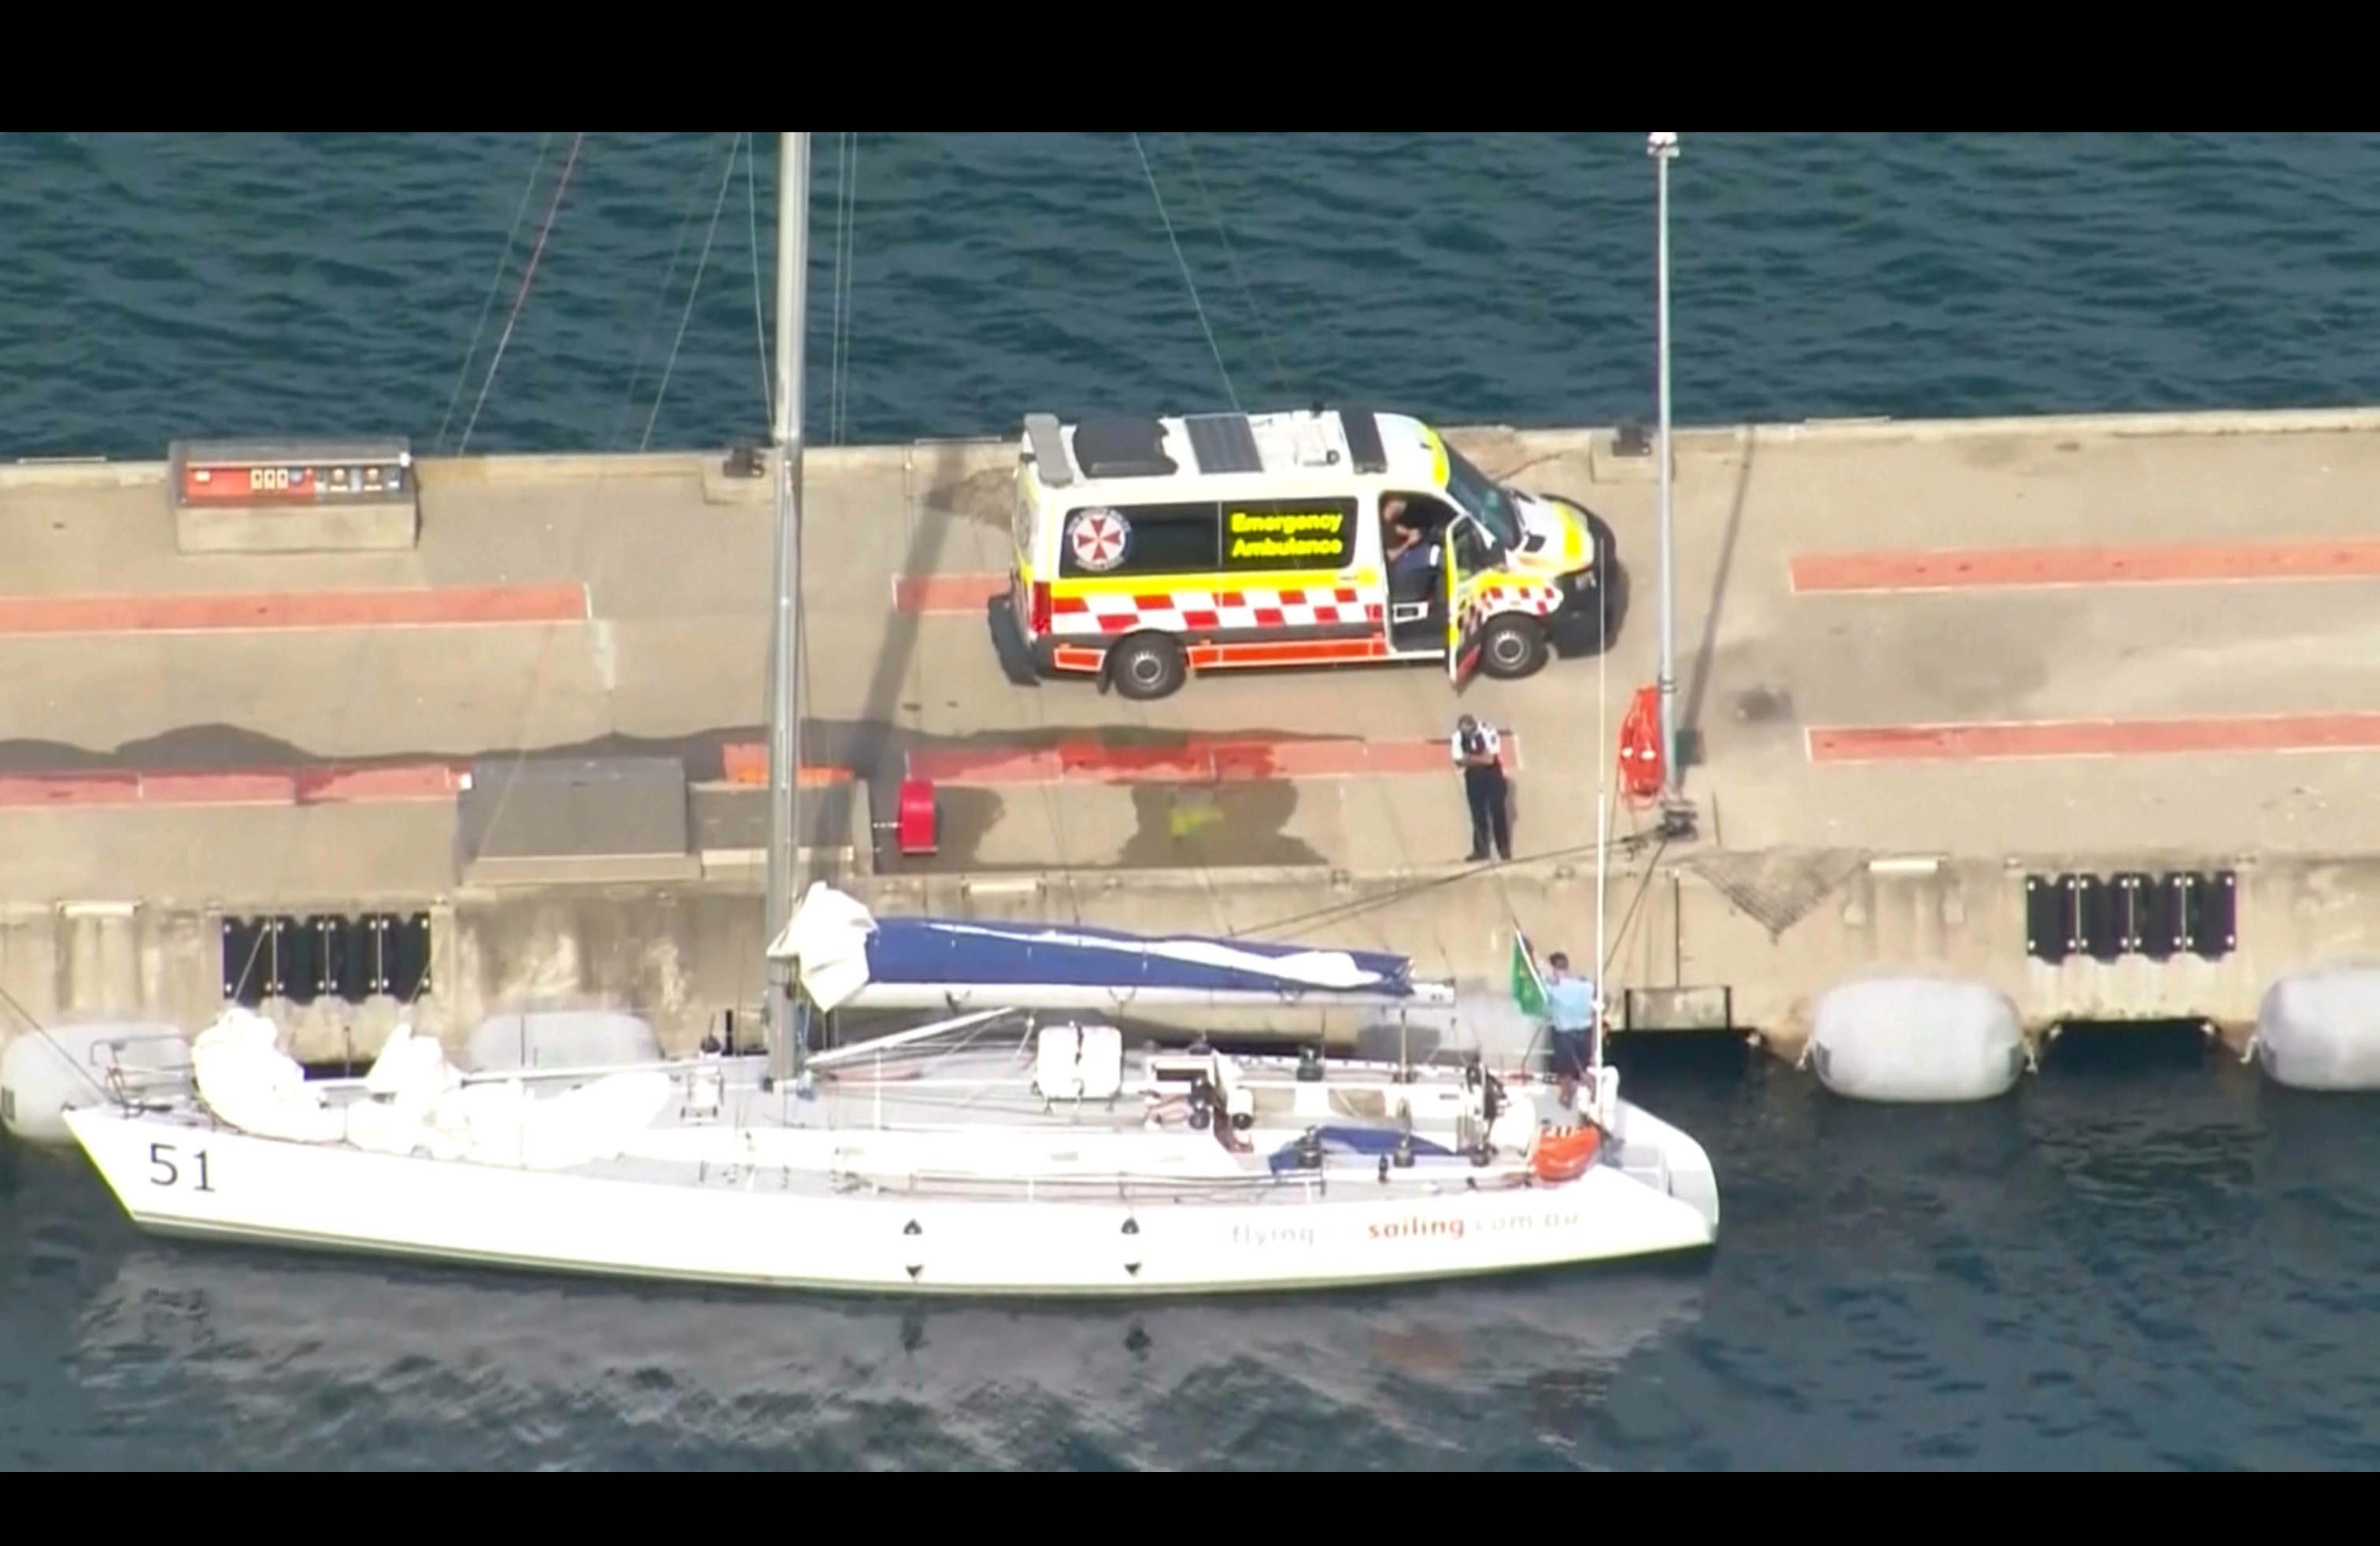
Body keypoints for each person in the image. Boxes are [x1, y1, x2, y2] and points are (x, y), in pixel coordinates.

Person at [1451, 713, 1511, 862]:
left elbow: (1490, 759)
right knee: (1477, 813)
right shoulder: (1457, 737)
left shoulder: (1487, 730)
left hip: (1492, 774)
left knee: (1497, 810)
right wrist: (1478, 760)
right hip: (1473, 776)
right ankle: (1481, 849)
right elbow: (1458, 761)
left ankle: (1503, 848)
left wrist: (1470, 759)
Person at [1543, 951, 1598, 1109]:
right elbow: (1593, 1009)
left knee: (1566, 1072)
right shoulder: (1585, 986)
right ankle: (1587, 1088)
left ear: (1553, 969)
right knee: (1580, 1069)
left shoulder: (1552, 989)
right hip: (1585, 1034)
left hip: (1565, 1035)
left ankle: (1567, 1095)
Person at [1382, 497, 1434, 601]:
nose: (1399, 516)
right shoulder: (1377, 523)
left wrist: (1409, 532)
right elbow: (1390, 557)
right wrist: (1408, 543)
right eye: (1399, 512)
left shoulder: (1385, 521)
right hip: (1394, 569)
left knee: (1425, 549)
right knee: (1427, 556)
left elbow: (1395, 528)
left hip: (1402, 559)